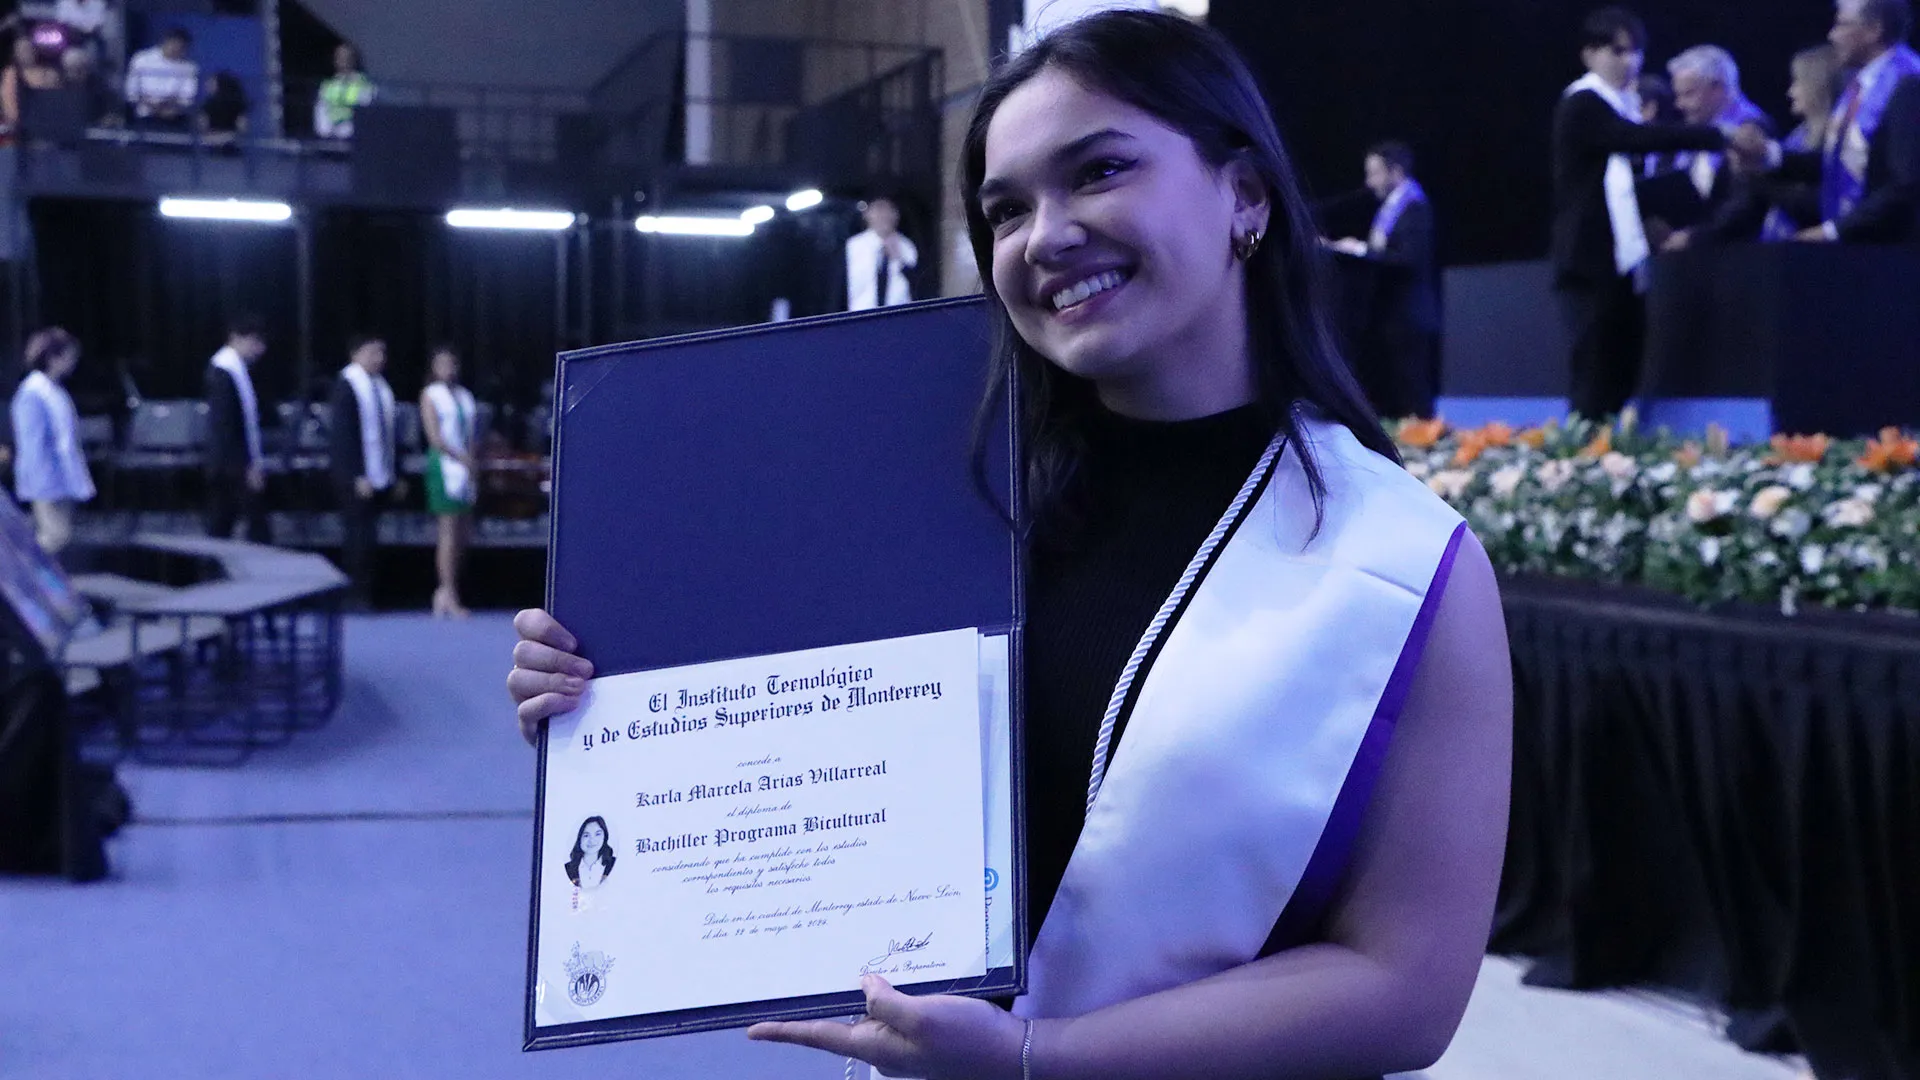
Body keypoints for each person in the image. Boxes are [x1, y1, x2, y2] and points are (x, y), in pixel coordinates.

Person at [510, 12, 1512, 1080]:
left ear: (1246, 195)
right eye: (1005, 210)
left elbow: (1405, 986)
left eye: (1100, 171)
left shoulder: (1398, 567)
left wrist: (1044, 1057)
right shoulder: (944, 507)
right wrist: (608, 715)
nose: (1046, 235)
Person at [1550, 7, 1728, 421]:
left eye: (1636, 52)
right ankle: (1583, 463)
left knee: (1623, 364)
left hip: (1622, 261)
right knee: (1595, 369)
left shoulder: (1623, 104)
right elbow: (1632, 139)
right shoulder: (1584, 102)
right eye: (1618, 51)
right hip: (1589, 260)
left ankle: (1609, 457)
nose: (1630, 61)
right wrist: (1717, 136)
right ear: (1590, 54)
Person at [1732, 0, 1920, 243]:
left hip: (1894, 256)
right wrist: (1768, 155)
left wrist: (1834, 231)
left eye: (1841, 25)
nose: (1832, 35)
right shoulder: (1861, 87)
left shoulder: (1909, 85)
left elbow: (1908, 184)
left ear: (1874, 30)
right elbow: (1843, 164)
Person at [1327, 141, 1439, 418]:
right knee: (1393, 395)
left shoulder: (1414, 207)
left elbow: (1409, 259)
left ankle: (1425, 448)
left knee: (1413, 393)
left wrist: (1361, 250)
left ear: (1396, 172)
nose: (1369, 182)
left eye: (1375, 173)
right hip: (1387, 316)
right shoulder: (1391, 208)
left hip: (1409, 316)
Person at [1655, 46, 1774, 249]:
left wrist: (1696, 237)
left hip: (1735, 259)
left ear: (1718, 88)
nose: (1680, 104)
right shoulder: (1692, 131)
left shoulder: (1753, 131)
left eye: (1689, 94)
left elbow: (1747, 204)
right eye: (1678, 95)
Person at [327, 336, 399, 607]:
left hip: (379, 474)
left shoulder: (381, 387)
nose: (378, 358)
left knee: (371, 539)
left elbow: (389, 434)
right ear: (355, 354)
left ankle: (370, 592)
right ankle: (355, 595)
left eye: (382, 352)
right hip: (355, 477)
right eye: (372, 352)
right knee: (357, 538)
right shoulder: (347, 384)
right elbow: (343, 437)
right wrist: (357, 475)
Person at [9, 328, 94, 554]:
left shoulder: (53, 389)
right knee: (55, 536)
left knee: (58, 535)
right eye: (68, 355)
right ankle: (26, 578)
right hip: (46, 477)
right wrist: (45, 483)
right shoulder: (32, 393)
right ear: (52, 358)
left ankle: (38, 582)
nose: (73, 361)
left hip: (61, 475)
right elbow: (32, 445)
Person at [420, 344, 477, 619]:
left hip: (465, 466)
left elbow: (470, 433)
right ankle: (447, 591)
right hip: (444, 465)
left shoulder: (465, 396)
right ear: (434, 368)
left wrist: (472, 461)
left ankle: (446, 592)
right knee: (448, 532)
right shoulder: (431, 395)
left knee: (464, 534)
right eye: (442, 364)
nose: (448, 369)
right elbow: (434, 437)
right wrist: (460, 456)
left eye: (452, 363)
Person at [203, 315, 270, 543]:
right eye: (255, 342)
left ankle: (212, 570)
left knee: (222, 525)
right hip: (231, 465)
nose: (260, 349)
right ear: (235, 339)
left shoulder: (234, 369)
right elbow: (225, 427)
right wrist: (247, 467)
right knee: (250, 524)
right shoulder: (224, 372)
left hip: (230, 463)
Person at [845, 195, 918, 310]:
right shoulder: (852, 247)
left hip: (898, 317)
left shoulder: (907, 247)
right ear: (866, 214)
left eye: (889, 209)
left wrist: (899, 259)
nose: (884, 215)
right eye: (879, 209)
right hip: (859, 317)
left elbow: (918, 286)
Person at [124, 26, 196, 130]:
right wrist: (151, 105)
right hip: (145, 117)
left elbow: (187, 98)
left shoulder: (189, 68)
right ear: (165, 41)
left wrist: (167, 105)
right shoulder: (141, 59)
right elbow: (131, 90)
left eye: (180, 47)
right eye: (174, 44)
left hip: (174, 120)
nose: (176, 49)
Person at [1, 34, 64, 137]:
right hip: (21, 129)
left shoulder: (49, 73)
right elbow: (8, 101)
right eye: (21, 50)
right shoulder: (10, 73)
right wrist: (17, 124)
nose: (26, 53)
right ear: (15, 53)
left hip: (48, 127)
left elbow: (56, 103)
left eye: (28, 49)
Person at [314, 43, 374, 139]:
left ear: (353, 60)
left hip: (352, 134)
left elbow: (365, 109)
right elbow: (321, 108)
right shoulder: (327, 85)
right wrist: (324, 130)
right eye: (339, 57)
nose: (342, 61)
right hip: (329, 135)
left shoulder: (363, 84)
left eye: (346, 57)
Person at [564, 816, 615, 889]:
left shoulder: (613, 864)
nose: (592, 840)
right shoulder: (569, 868)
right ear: (579, 838)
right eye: (586, 835)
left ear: (605, 836)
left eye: (597, 834)